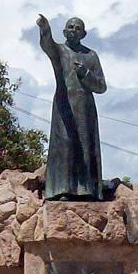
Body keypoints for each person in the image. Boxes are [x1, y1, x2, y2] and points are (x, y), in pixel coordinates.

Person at [37, 14, 106, 201]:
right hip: (64, 105)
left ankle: (87, 190)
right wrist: (44, 29)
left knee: (86, 147)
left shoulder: (91, 56)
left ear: (84, 34)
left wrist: (86, 74)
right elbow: (47, 45)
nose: (74, 31)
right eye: (71, 27)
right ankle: (62, 190)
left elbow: (101, 86)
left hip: (85, 108)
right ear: (64, 32)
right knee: (65, 146)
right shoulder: (59, 51)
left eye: (78, 28)